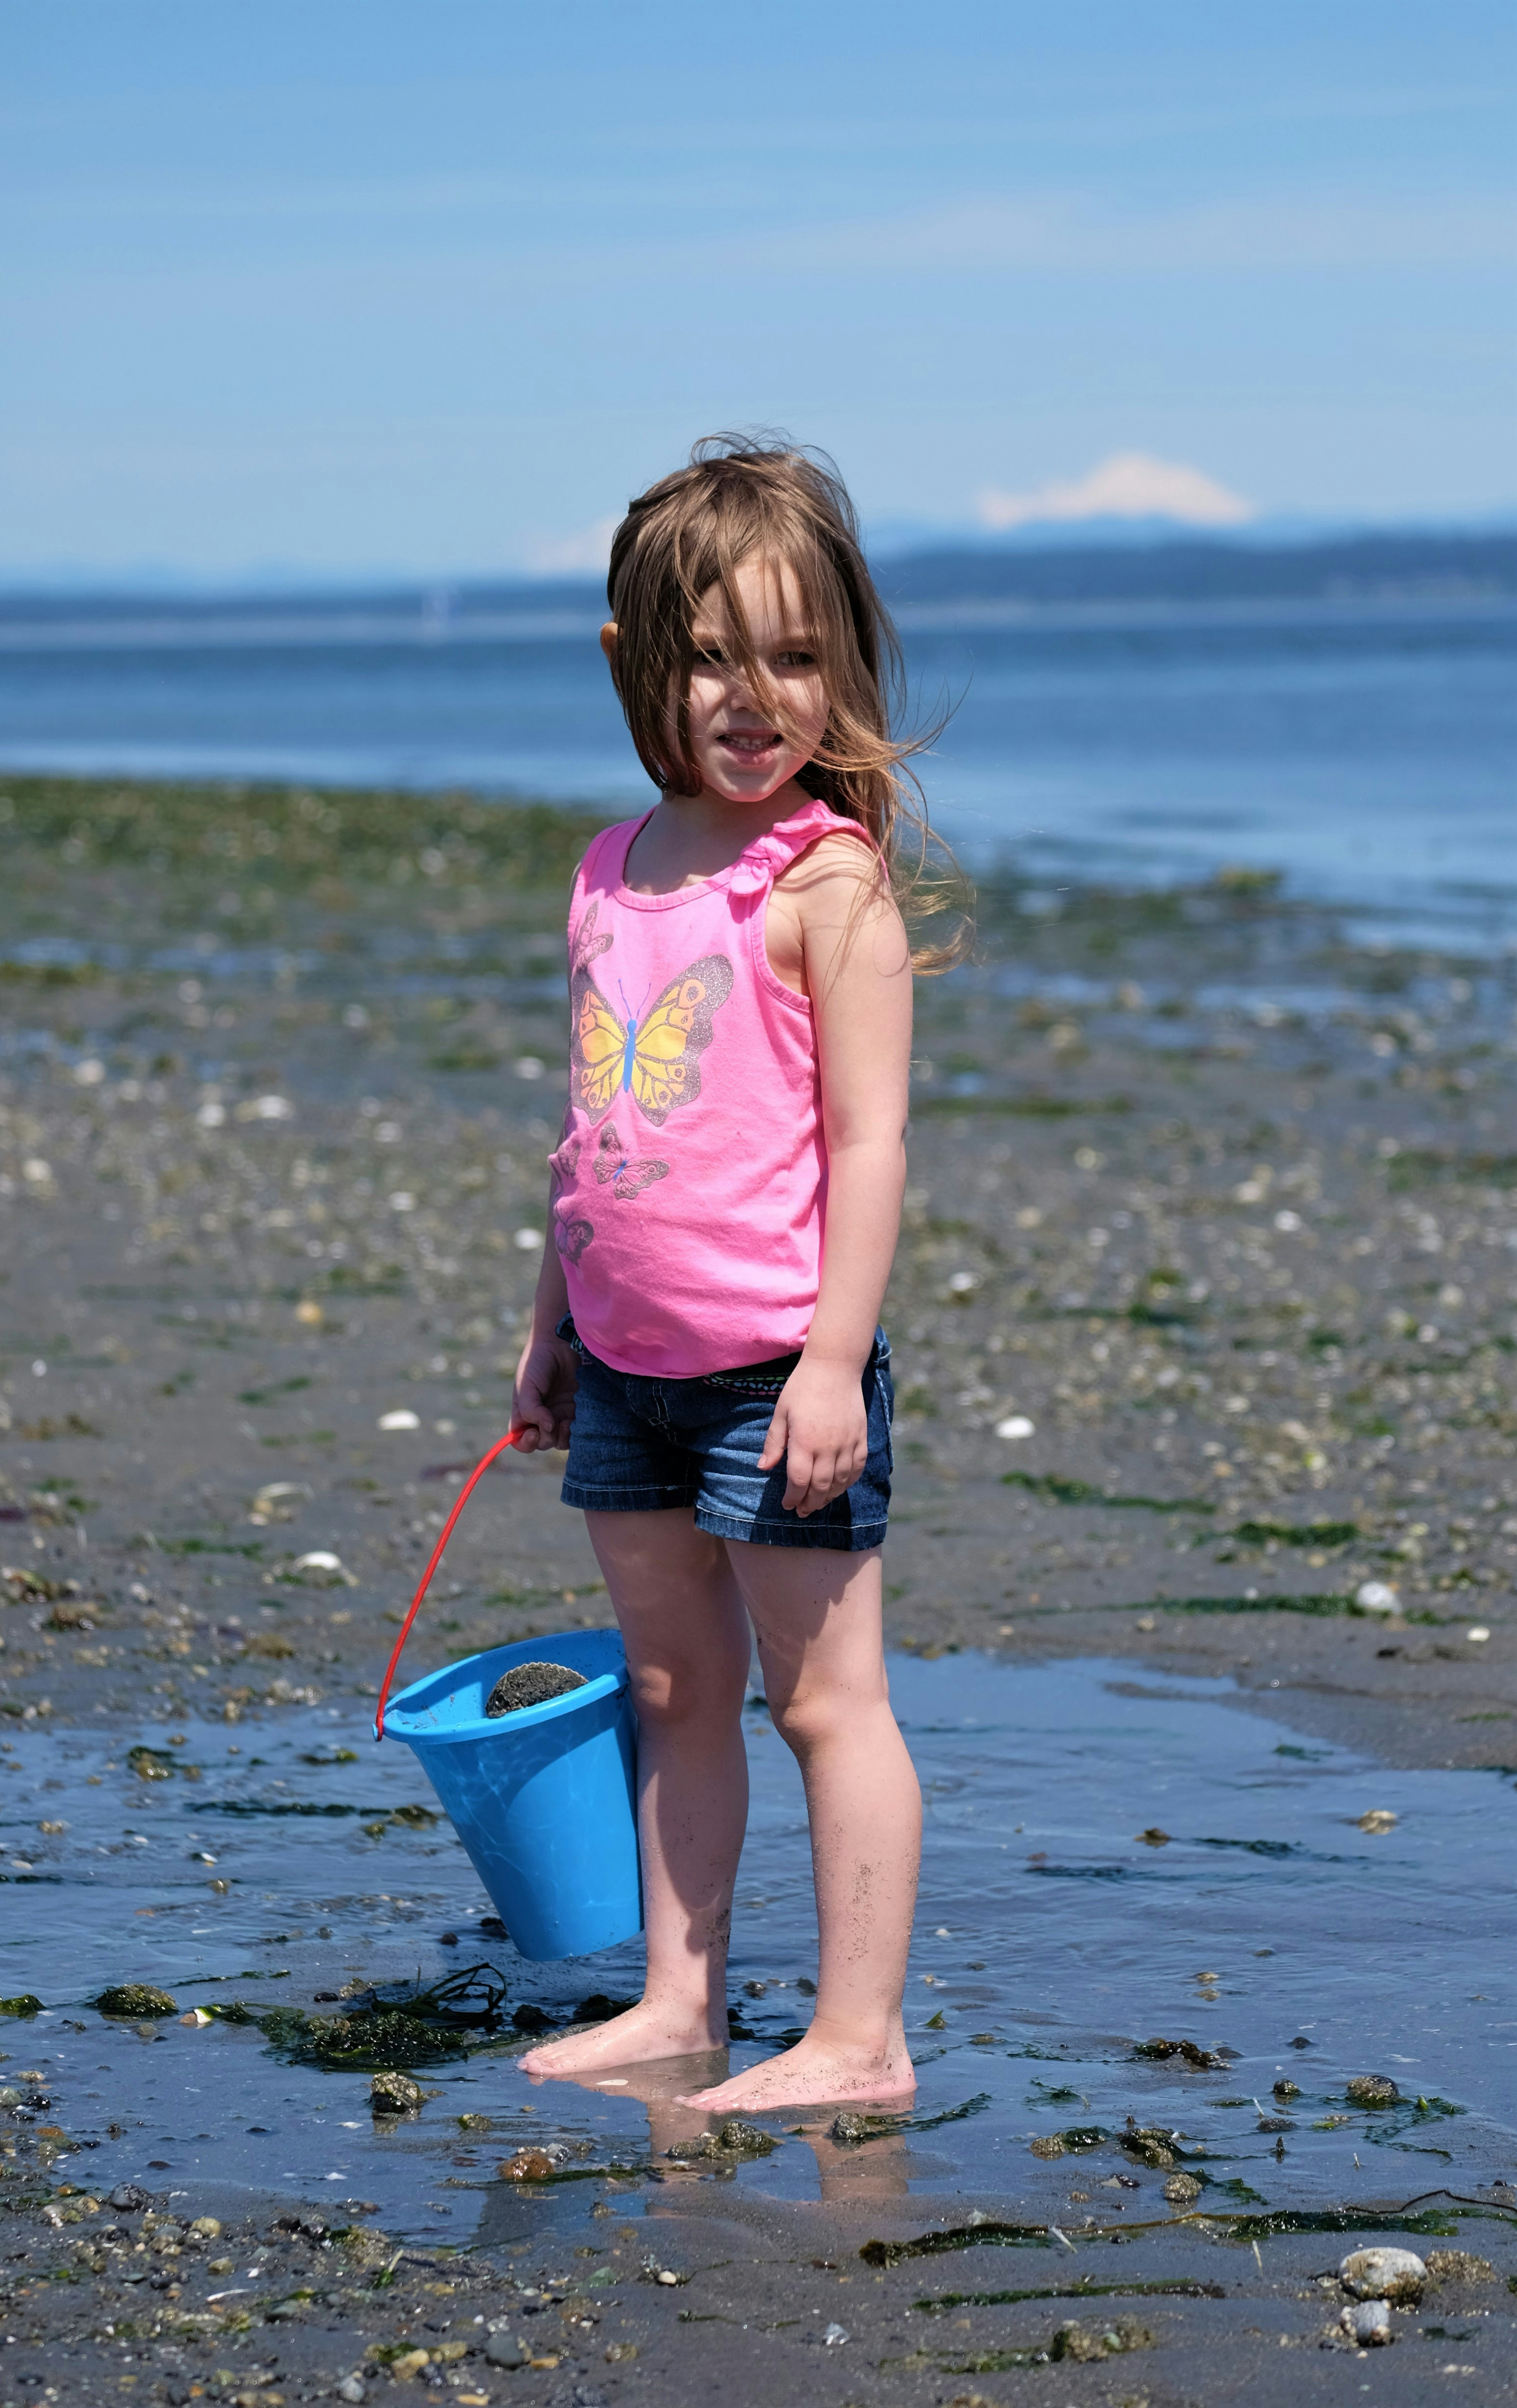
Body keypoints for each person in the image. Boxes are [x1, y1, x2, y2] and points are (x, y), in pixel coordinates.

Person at [508, 436, 960, 2112]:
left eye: (790, 654)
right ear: (641, 661)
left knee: (825, 1701)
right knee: (670, 1684)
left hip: (782, 1369)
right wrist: (547, 1329)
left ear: (840, 658)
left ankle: (859, 2038)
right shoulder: (611, 874)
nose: (752, 694)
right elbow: (588, 1137)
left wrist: (837, 1361)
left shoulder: (825, 879)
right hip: (623, 1360)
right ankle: (679, 2001)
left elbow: (871, 1145)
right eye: (711, 656)